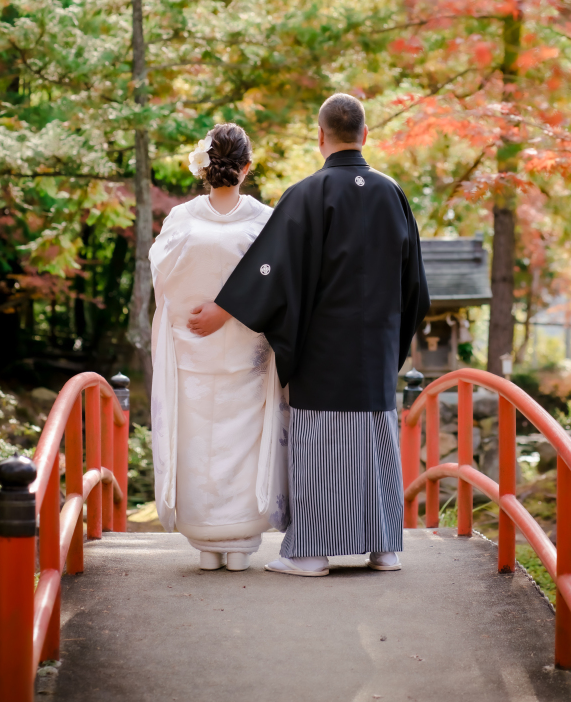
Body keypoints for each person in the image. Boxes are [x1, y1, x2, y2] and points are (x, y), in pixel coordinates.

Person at [197, 93, 430, 577]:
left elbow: (270, 269)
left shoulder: (307, 193)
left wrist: (225, 308)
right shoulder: (393, 193)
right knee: (376, 444)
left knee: (322, 447)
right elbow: (415, 287)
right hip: (377, 350)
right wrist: (393, 343)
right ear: (365, 135)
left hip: (324, 353)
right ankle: (384, 549)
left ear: (320, 136)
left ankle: (310, 554)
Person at [149, 123, 289, 572]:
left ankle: (205, 544)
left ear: (203, 167)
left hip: (192, 350)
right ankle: (240, 543)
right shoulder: (266, 221)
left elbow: (163, 283)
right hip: (248, 354)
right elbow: (279, 286)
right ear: (246, 167)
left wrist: (194, 310)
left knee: (195, 442)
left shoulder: (182, 220)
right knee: (242, 443)